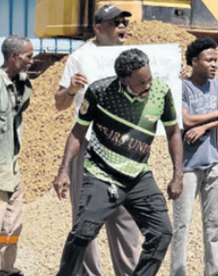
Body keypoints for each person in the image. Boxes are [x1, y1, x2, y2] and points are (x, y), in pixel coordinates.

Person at [53, 48, 184, 276]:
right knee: (83, 232)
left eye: (150, 79)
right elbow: (77, 132)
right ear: (124, 80)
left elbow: (173, 132)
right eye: (142, 83)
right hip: (101, 173)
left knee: (162, 232)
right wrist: (63, 170)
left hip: (138, 175)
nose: (148, 86)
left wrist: (177, 175)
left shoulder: (161, 93)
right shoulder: (100, 91)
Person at [54, 4, 141, 276]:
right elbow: (59, 104)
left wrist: (175, 77)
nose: (122, 27)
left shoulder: (134, 59)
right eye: (115, 22)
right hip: (90, 146)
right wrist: (71, 90)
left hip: (125, 149)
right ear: (98, 28)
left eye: (123, 21)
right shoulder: (80, 58)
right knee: (88, 215)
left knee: (125, 216)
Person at [171, 37, 218, 276]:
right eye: (209, 60)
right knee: (181, 225)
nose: (214, 65)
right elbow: (186, 120)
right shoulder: (183, 87)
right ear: (194, 61)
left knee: (214, 226)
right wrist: (216, 113)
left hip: (213, 164)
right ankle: (178, 272)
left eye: (216, 60)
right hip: (187, 167)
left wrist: (204, 127)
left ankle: (213, 271)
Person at [0, 36, 33, 276]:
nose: (32, 61)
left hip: (11, 170)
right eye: (28, 56)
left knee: (12, 226)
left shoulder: (19, 83)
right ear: (13, 57)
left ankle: (6, 268)